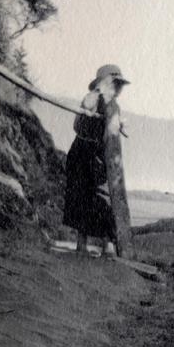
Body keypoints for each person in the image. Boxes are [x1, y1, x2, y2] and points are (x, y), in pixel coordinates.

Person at [63, 64, 130, 256]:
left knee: (103, 198)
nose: (118, 89)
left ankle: (108, 243)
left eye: (119, 85)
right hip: (82, 152)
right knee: (79, 197)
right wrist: (98, 92)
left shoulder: (114, 105)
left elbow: (111, 131)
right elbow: (80, 119)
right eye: (115, 84)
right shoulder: (93, 97)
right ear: (106, 82)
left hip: (100, 155)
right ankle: (81, 242)